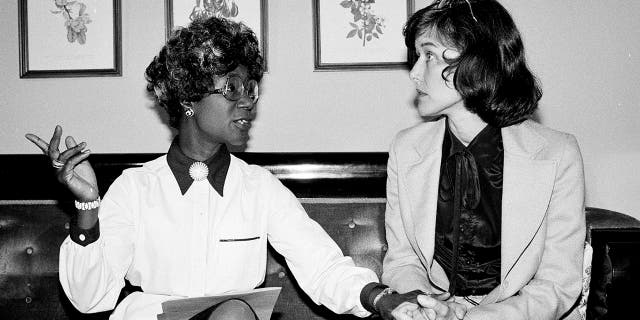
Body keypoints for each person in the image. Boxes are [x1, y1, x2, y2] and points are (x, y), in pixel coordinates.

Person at [26, 17, 428, 320]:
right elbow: (88, 298)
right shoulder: (136, 189)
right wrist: (88, 208)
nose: (248, 102)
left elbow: (323, 268)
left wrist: (382, 298)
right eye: (232, 87)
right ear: (189, 96)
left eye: (251, 88)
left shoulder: (259, 188)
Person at [382, 0, 586, 319]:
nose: (415, 74)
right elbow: (402, 262)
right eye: (417, 57)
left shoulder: (557, 153)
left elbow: (557, 284)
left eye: (430, 55)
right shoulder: (405, 148)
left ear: (478, 62)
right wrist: (429, 308)